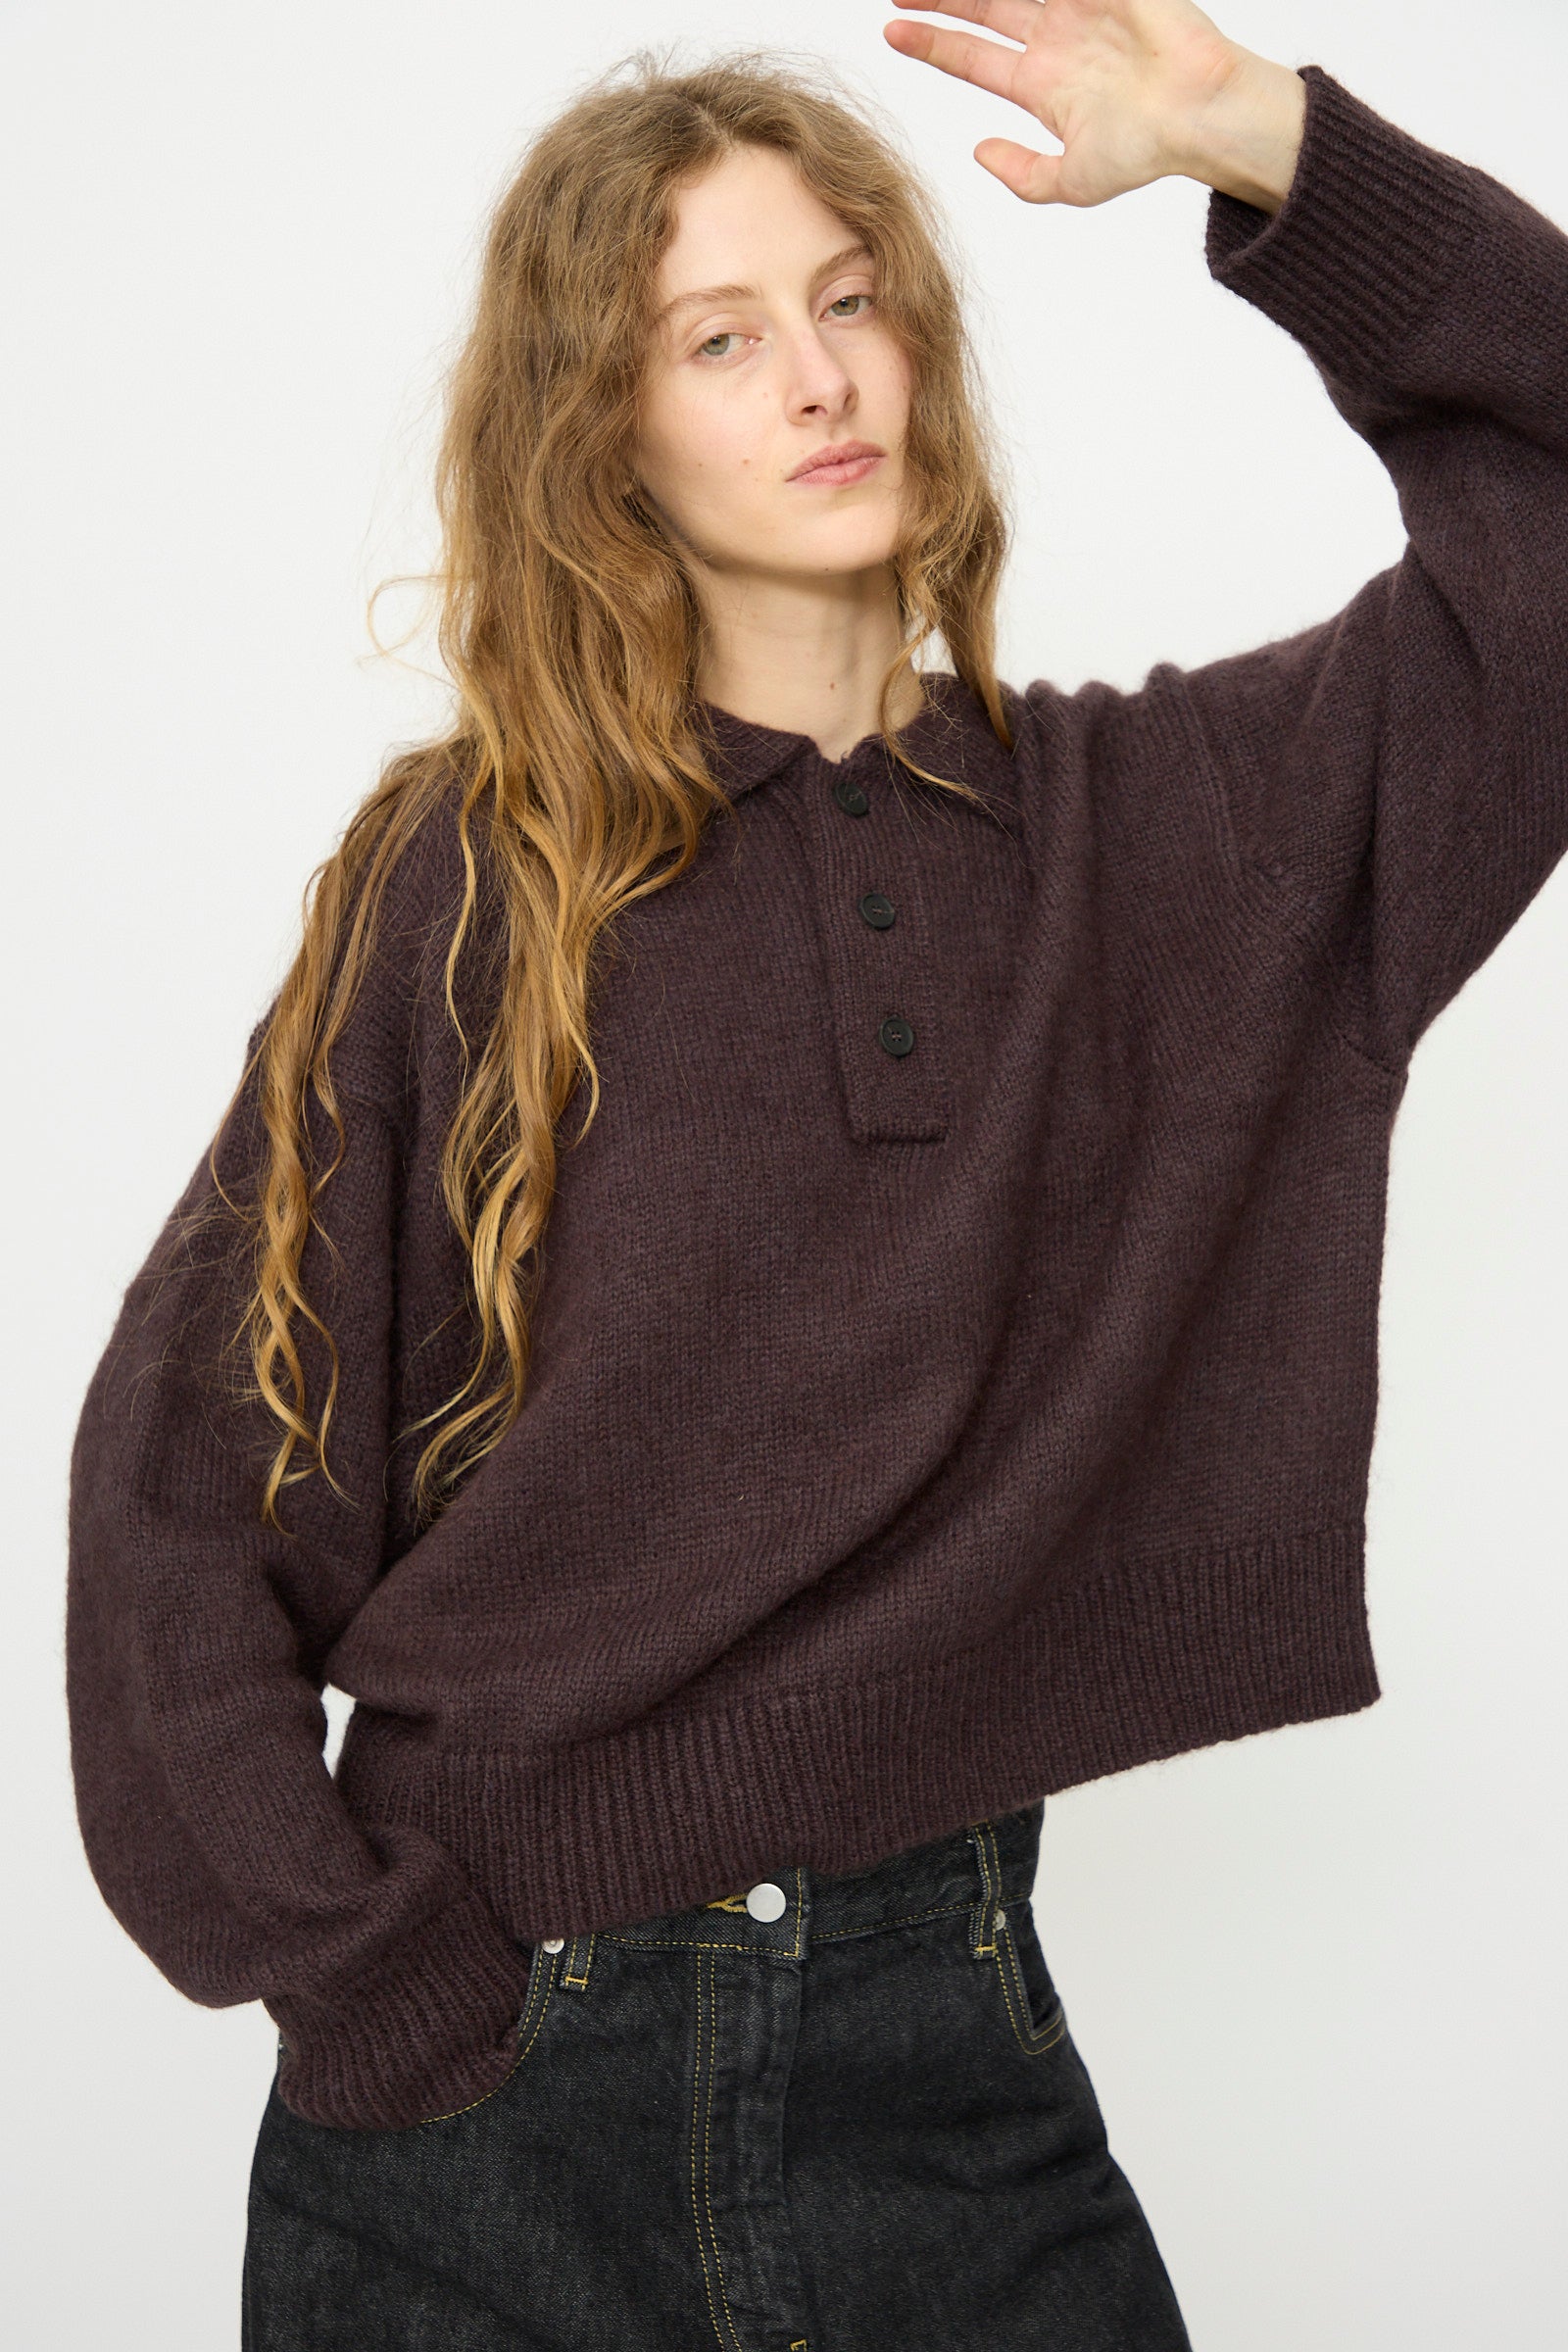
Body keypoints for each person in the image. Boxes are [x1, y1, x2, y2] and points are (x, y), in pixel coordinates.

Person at [64, 3, 1568, 2345]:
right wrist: (359, 1979)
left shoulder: (1184, 838)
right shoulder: (477, 880)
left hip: (939, 2048)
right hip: (494, 2083)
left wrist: (1258, 146)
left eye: (848, 299)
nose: (815, 376)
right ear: (609, 435)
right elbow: (186, 1491)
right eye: (718, 332)